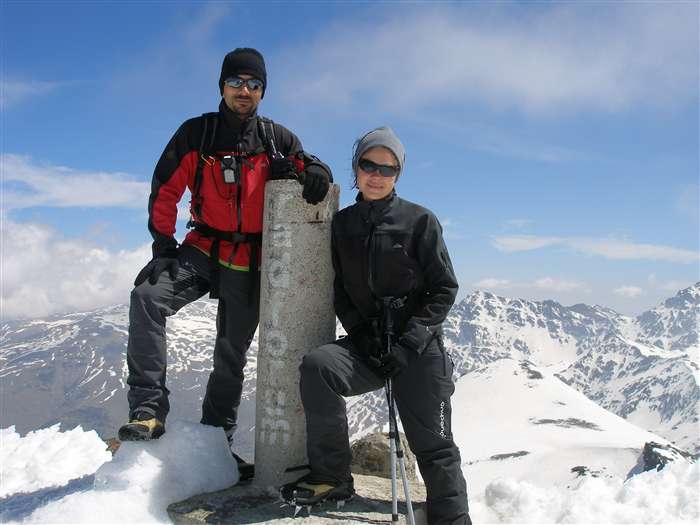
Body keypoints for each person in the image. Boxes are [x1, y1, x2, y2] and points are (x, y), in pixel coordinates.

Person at [118, 48, 332, 481]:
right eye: (236, 82)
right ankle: (147, 411)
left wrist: (317, 171)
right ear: (221, 86)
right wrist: (163, 246)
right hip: (201, 248)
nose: (244, 91)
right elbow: (165, 189)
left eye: (254, 84)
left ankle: (216, 445)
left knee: (230, 357)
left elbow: (307, 163)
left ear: (263, 91)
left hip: (250, 259)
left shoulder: (277, 138)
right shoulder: (197, 134)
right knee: (147, 298)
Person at [280, 127, 471, 524]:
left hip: (416, 351)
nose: (377, 174)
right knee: (319, 367)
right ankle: (332, 477)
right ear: (356, 167)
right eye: (369, 164)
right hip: (370, 346)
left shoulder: (420, 222)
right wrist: (365, 339)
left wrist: (408, 344)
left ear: (399, 174)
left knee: (434, 445)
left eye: (388, 168)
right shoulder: (343, 224)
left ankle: (452, 517)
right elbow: (342, 292)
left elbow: (443, 288)